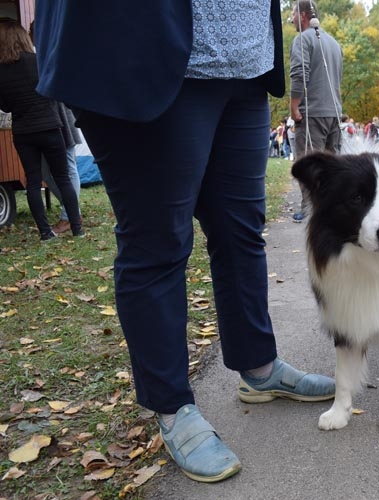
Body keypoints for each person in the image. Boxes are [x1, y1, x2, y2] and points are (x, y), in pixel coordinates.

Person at [34, 0, 335, 484]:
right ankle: (171, 405)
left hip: (245, 67)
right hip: (148, 60)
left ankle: (258, 366)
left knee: (241, 232)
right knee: (157, 243)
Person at [0, 21, 83, 240]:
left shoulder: (1, 71)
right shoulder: (40, 62)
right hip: (50, 126)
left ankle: (45, 233)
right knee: (64, 177)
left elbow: (5, 106)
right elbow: (55, 89)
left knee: (34, 182)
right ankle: (77, 228)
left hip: (24, 132)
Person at [289, 0, 343, 221]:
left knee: (309, 164)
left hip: (312, 113)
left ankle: (311, 210)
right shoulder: (334, 43)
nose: (291, 19)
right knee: (333, 167)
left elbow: (299, 73)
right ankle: (333, 209)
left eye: (292, 14)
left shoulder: (302, 39)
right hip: (334, 113)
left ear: (303, 15)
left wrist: (294, 106)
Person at [41, 102, 83, 234]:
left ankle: (68, 218)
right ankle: (73, 213)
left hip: (61, 117)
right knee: (46, 173)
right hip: (42, 121)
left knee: (69, 169)